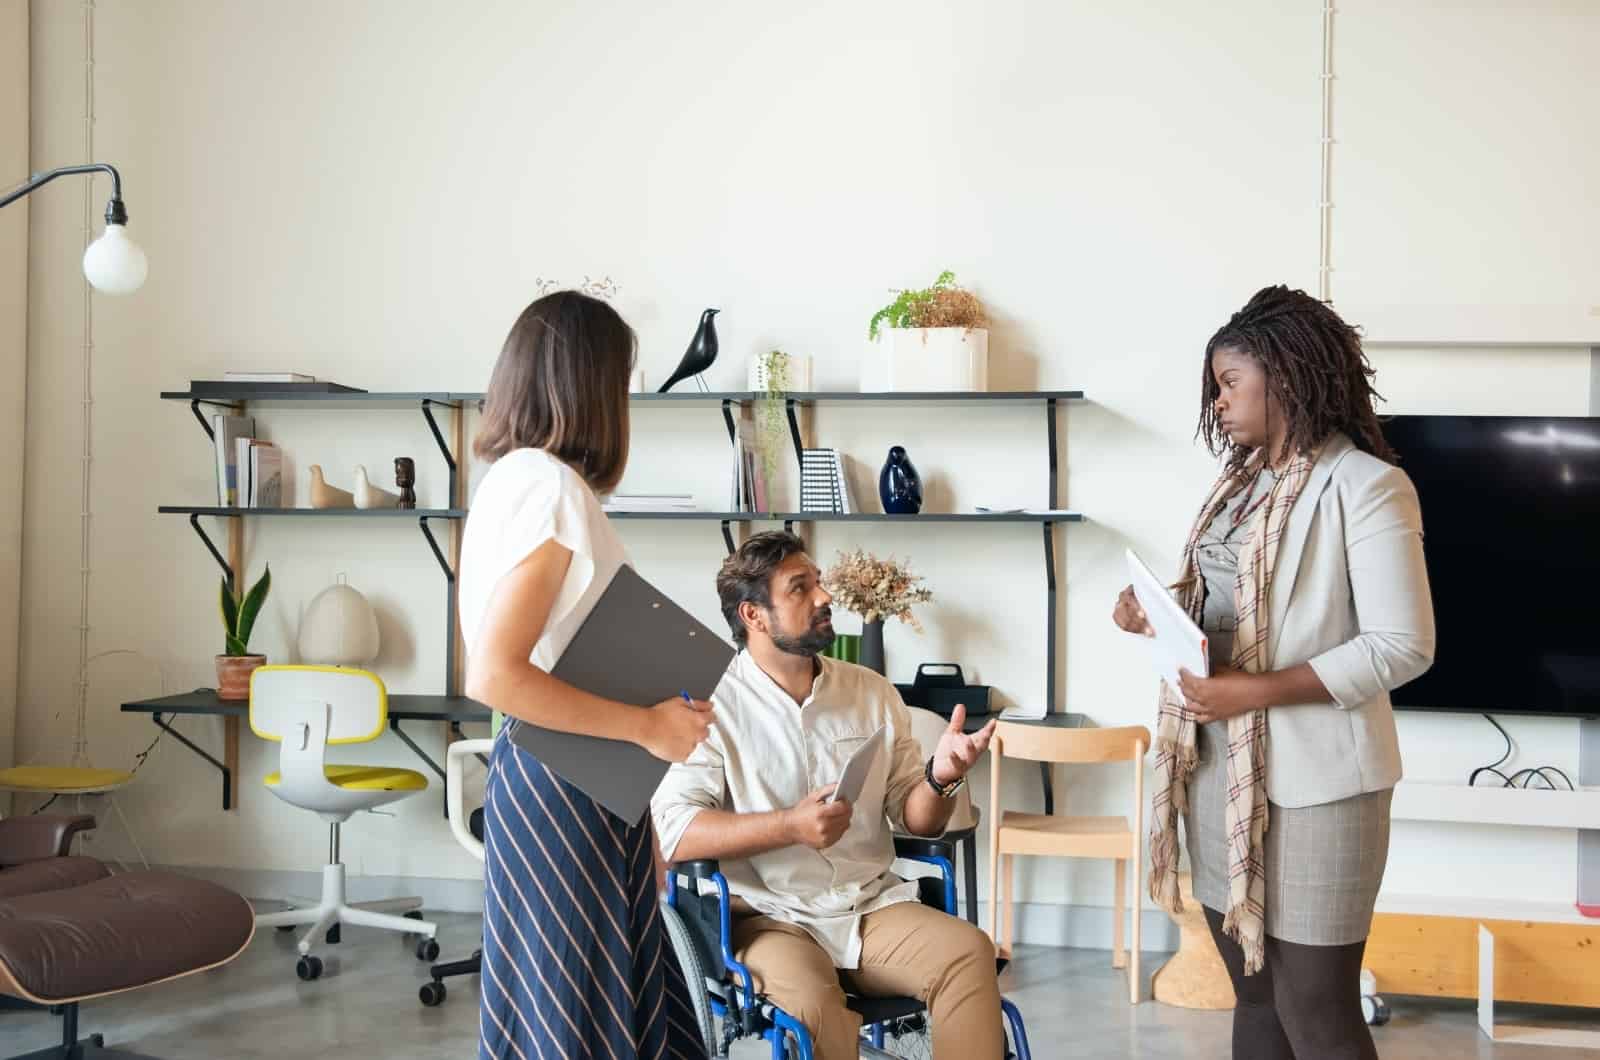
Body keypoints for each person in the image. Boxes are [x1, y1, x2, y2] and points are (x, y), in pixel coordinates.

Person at [1115, 285, 1435, 1059]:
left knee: (1315, 1008)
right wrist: (1157, 609)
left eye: (1229, 384)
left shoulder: (1366, 486)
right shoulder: (1236, 490)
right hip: (1220, 774)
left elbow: (1404, 644)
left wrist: (1254, 689)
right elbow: (1227, 605)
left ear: (1286, 375)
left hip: (1322, 787)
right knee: (1253, 995)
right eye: (1214, 389)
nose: (1217, 404)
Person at [459, 291, 712, 1060]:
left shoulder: (512, 481)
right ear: (587, 384)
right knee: (581, 1023)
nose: (626, 400)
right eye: (622, 380)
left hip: (574, 782)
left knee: (598, 1011)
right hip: (565, 786)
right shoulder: (550, 491)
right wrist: (649, 726)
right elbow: (495, 675)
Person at [652, 532, 1008, 1060]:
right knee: (815, 1010)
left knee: (967, 952)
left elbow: (918, 819)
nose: (824, 598)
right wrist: (790, 827)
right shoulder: (708, 704)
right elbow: (675, 831)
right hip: (768, 916)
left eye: (818, 583)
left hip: (870, 907)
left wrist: (939, 777)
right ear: (753, 615)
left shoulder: (872, 692)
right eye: (800, 588)